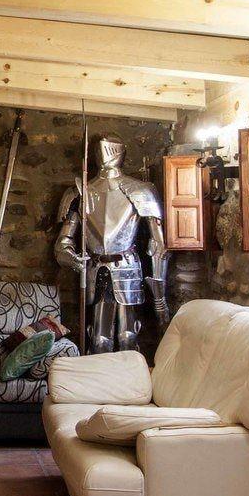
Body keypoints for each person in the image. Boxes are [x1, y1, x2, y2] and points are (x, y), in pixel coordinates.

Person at [54, 136, 168, 354]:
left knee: (128, 336)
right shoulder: (79, 192)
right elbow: (63, 242)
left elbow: (158, 245)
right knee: (98, 339)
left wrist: (159, 294)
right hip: (94, 269)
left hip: (127, 268)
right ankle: (100, 385)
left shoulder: (141, 190)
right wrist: (74, 260)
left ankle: (130, 385)